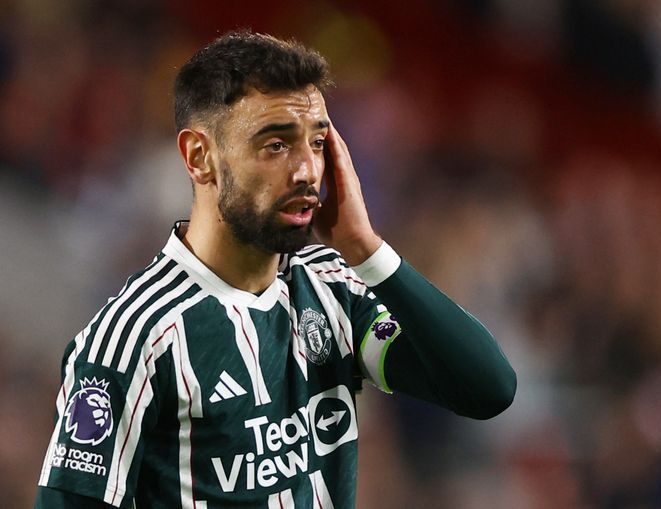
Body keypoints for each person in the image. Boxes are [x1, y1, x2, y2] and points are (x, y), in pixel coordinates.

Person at [34, 30, 516, 508]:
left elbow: (487, 390)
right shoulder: (134, 338)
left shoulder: (333, 289)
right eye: (276, 145)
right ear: (200, 157)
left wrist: (366, 250)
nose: (307, 170)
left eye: (318, 143)